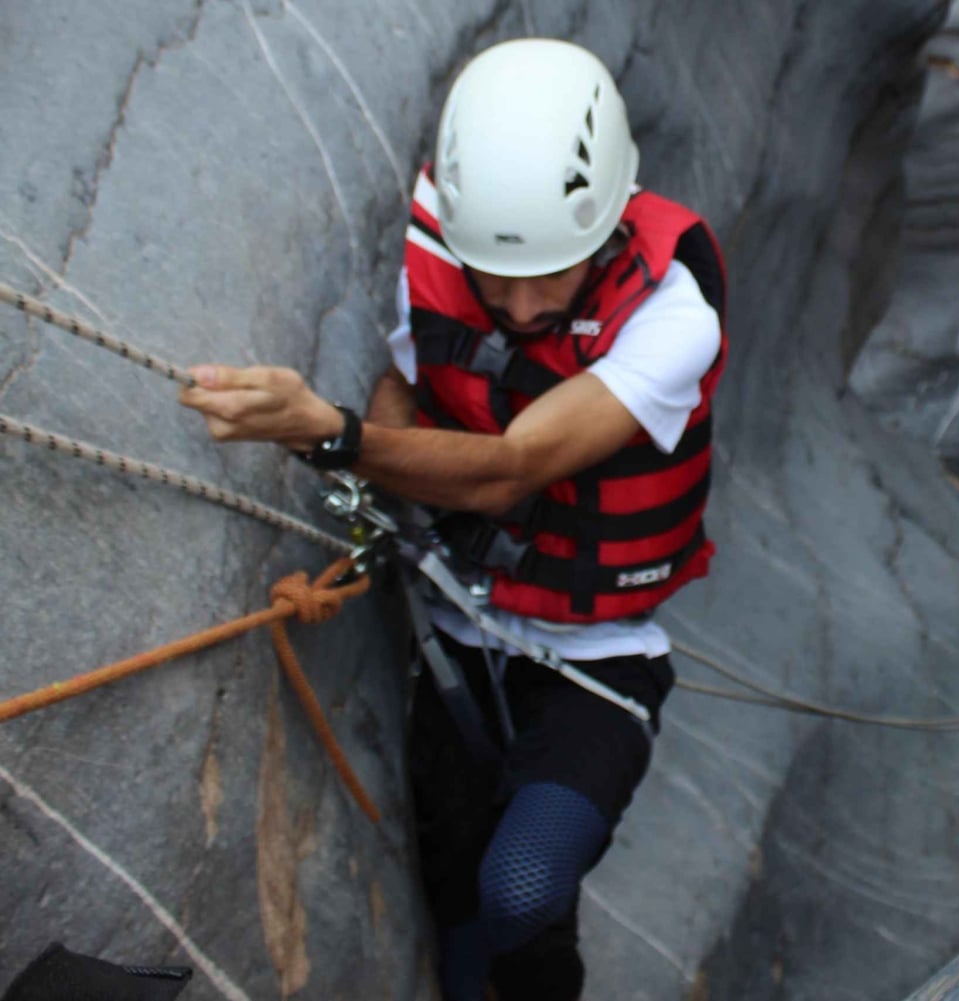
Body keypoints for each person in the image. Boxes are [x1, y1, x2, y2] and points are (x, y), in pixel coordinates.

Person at [179, 37, 727, 1001]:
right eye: (493, 276)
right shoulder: (438, 258)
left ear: (606, 229)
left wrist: (332, 434)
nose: (516, 306)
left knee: (523, 887)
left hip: (596, 664)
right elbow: (410, 377)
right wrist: (386, 460)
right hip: (455, 638)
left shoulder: (672, 311)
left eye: (548, 276)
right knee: (457, 895)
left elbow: (513, 464)